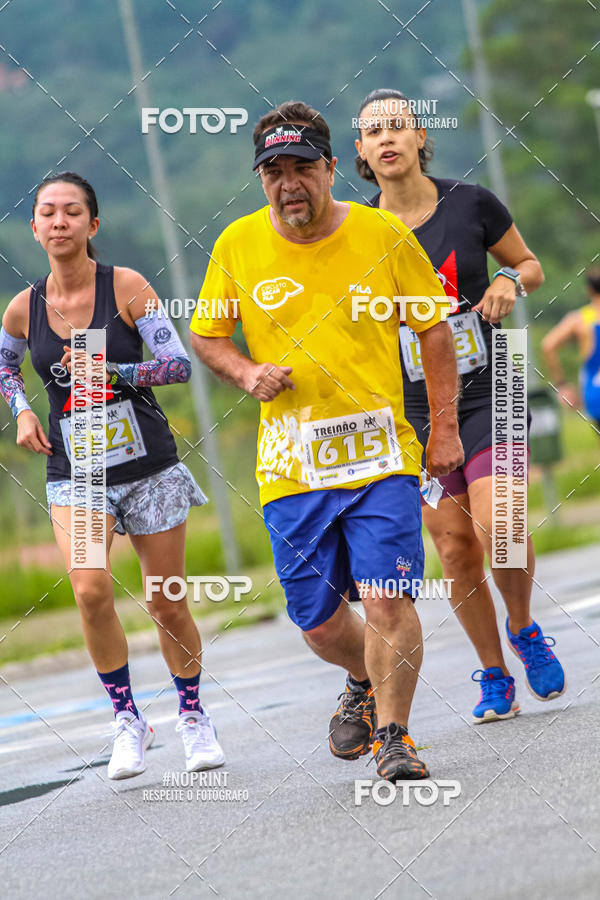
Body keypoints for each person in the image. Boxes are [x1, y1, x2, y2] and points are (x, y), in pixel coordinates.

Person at [189, 100, 464, 782]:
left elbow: (434, 327)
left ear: (334, 168)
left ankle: (395, 738)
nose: (290, 184)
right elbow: (206, 335)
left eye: (303, 167)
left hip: (381, 456)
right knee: (316, 622)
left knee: (386, 598)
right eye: (275, 171)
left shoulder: (381, 235)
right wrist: (246, 370)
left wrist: (446, 426)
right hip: (291, 465)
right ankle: (365, 681)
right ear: (260, 179)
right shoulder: (238, 245)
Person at [0, 172, 224, 778]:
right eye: (48, 213)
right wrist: (20, 410)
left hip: (147, 465)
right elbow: (5, 366)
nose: (60, 222)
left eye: (73, 212)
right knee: (90, 588)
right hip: (78, 470)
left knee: (165, 601)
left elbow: (176, 366)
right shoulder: (23, 307)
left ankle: (193, 715)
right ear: (35, 228)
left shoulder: (125, 286)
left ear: (92, 226)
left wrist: (112, 372)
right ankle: (128, 718)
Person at [354, 88, 566, 722]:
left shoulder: (471, 202)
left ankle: (524, 628)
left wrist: (507, 280)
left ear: (421, 138)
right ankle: (493, 671)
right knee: (452, 548)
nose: (387, 139)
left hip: (490, 385)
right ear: (361, 153)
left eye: (399, 127)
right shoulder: (361, 232)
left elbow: (530, 266)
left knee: (498, 523)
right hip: (413, 407)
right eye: (373, 132)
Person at [541, 265, 600, 431]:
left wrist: (561, 385)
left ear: (589, 290)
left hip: (595, 392)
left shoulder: (580, 320)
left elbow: (548, 345)